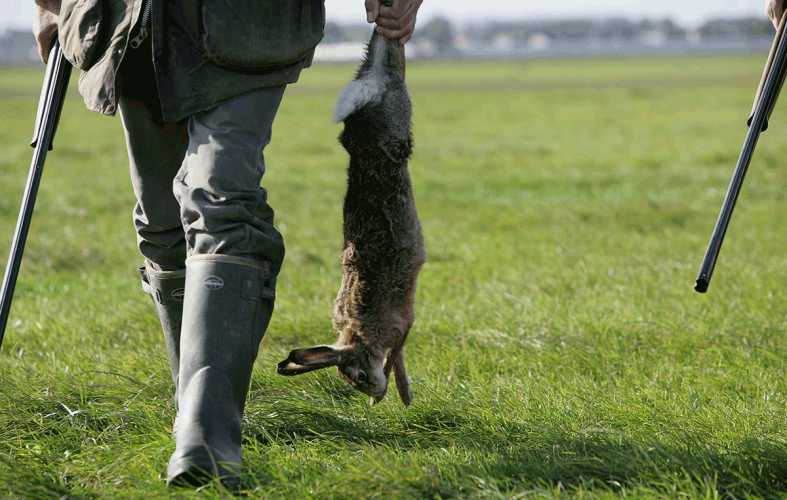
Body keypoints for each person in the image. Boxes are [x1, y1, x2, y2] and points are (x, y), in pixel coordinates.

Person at [32, 0, 422, 489]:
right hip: (128, 21)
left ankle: (207, 438)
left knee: (220, 198)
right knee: (161, 224)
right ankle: (189, 410)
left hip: (248, 22)